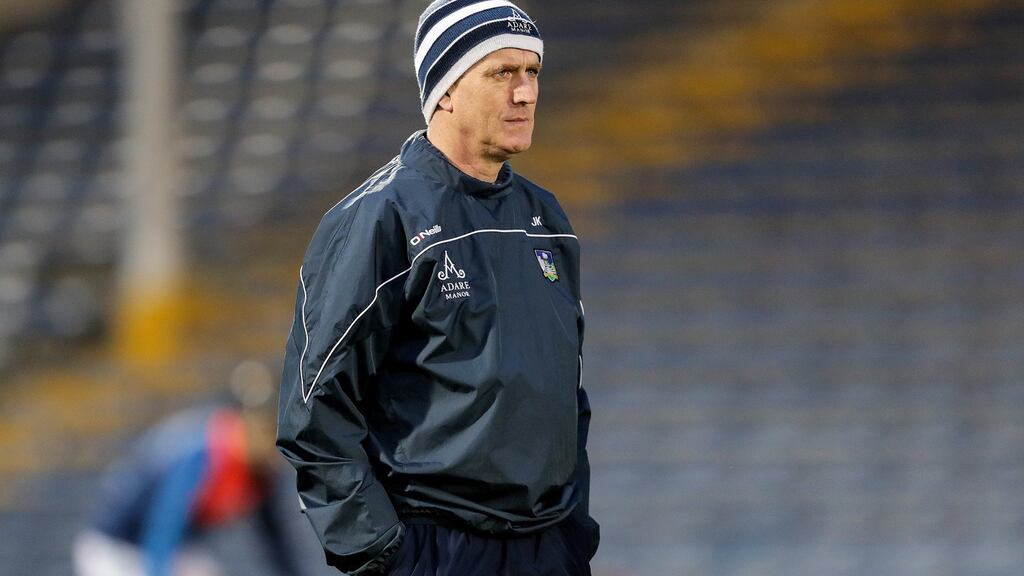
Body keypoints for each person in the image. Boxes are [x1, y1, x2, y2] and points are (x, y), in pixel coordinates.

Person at [276, 1, 599, 575]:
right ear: (445, 90)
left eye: (533, 73)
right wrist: (383, 552)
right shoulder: (381, 217)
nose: (525, 93)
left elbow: (566, 395)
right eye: (502, 73)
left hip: (547, 548)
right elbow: (314, 408)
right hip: (435, 548)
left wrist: (574, 533)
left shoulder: (546, 217)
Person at [73, 362, 305, 576]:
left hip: (177, 548)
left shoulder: (261, 471)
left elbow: (276, 544)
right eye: (265, 429)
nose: (271, 442)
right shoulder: (204, 451)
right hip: (114, 548)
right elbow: (162, 533)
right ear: (242, 420)